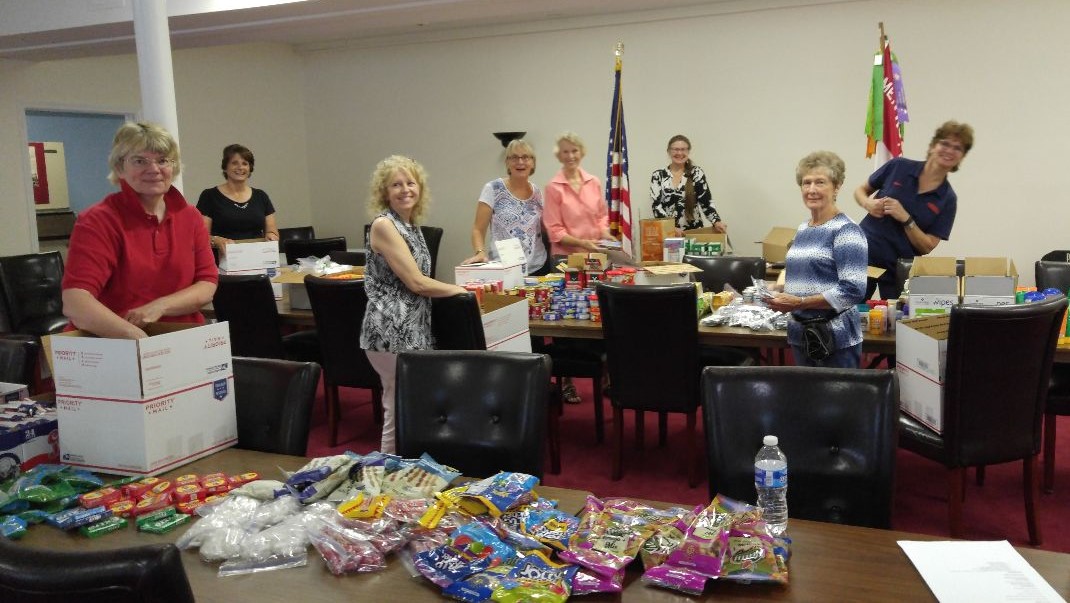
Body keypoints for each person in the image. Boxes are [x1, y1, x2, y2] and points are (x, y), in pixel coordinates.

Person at [62, 122, 218, 340]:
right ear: (119, 167)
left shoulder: (190, 216)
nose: (153, 169)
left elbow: (207, 283)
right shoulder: (98, 220)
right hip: (116, 342)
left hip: (183, 339)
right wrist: (136, 338)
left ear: (173, 167)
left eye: (163, 160)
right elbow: (75, 301)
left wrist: (160, 306)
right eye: (139, 161)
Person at [360, 155, 467, 454]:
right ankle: (385, 471)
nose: (405, 189)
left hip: (412, 329)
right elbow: (417, 283)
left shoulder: (410, 225)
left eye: (410, 183)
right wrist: (462, 289)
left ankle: (406, 467)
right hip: (389, 331)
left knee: (410, 403)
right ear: (384, 191)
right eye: (396, 184)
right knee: (396, 405)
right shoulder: (383, 225)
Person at [768, 151, 867, 368]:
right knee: (807, 400)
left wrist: (800, 302)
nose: (811, 190)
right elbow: (806, 275)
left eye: (820, 182)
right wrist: (776, 288)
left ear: (837, 186)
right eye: (806, 183)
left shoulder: (847, 230)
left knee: (836, 401)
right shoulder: (804, 228)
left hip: (834, 338)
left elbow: (853, 290)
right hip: (802, 335)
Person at [854, 120, 974, 299]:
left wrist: (907, 219)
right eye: (945, 143)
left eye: (957, 148)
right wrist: (867, 204)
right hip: (864, 253)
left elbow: (927, 246)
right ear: (933, 145)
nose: (949, 150)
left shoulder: (948, 198)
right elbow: (860, 191)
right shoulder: (899, 166)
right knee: (849, 310)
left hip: (899, 268)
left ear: (962, 157)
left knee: (896, 321)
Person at [462, 138, 550, 275]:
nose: (520, 162)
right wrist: (480, 252)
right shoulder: (493, 189)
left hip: (538, 268)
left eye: (525, 157)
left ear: (533, 163)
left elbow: (543, 229)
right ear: (507, 163)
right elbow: (477, 229)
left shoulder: (537, 192)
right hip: (505, 268)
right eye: (514, 157)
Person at [197, 144, 280, 250]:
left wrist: (272, 236)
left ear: (250, 168)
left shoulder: (261, 196)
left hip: (257, 259)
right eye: (234, 163)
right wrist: (216, 240)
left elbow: (272, 231)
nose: (240, 167)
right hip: (220, 261)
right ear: (225, 167)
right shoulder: (209, 196)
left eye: (245, 163)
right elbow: (200, 236)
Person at [542, 131, 612, 256]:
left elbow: (601, 217)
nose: (570, 156)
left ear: (582, 152)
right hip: (565, 258)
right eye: (565, 152)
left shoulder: (594, 182)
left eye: (574, 151)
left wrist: (605, 233)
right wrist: (581, 243)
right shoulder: (552, 188)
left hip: (596, 254)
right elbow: (554, 230)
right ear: (558, 156)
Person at [650, 134, 727, 234]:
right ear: (668, 151)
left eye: (683, 149)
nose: (679, 153)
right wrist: (671, 228)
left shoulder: (697, 173)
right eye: (676, 149)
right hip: (668, 234)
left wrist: (716, 221)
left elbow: (706, 203)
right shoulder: (658, 175)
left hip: (694, 233)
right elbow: (656, 206)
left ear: (688, 151)